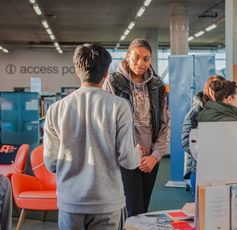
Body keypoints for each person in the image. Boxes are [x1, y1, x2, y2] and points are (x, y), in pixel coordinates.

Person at [43, 44, 140, 229]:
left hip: (70, 202)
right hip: (107, 202)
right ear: (106, 74)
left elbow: (51, 163)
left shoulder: (55, 109)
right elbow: (128, 160)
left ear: (76, 71)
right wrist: (138, 155)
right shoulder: (119, 106)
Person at [103, 38, 169, 217]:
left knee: (143, 211)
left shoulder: (157, 85)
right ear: (127, 57)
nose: (141, 63)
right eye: (136, 58)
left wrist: (155, 156)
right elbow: (107, 123)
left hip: (150, 159)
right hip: (125, 157)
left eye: (146, 59)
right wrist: (129, 150)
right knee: (132, 210)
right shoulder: (113, 82)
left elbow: (165, 124)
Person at [181, 75, 225, 196]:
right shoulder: (196, 111)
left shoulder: (226, 110)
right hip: (201, 168)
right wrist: (205, 153)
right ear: (209, 91)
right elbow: (186, 141)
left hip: (223, 167)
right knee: (202, 209)